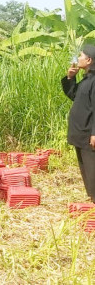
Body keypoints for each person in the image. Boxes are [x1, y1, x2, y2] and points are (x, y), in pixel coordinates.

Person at [62, 45, 95, 203]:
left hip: (89, 133)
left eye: (81, 55)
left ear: (89, 60)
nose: (78, 58)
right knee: (85, 166)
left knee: (92, 167)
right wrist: (70, 78)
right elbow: (74, 95)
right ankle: (92, 195)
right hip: (80, 132)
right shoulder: (86, 79)